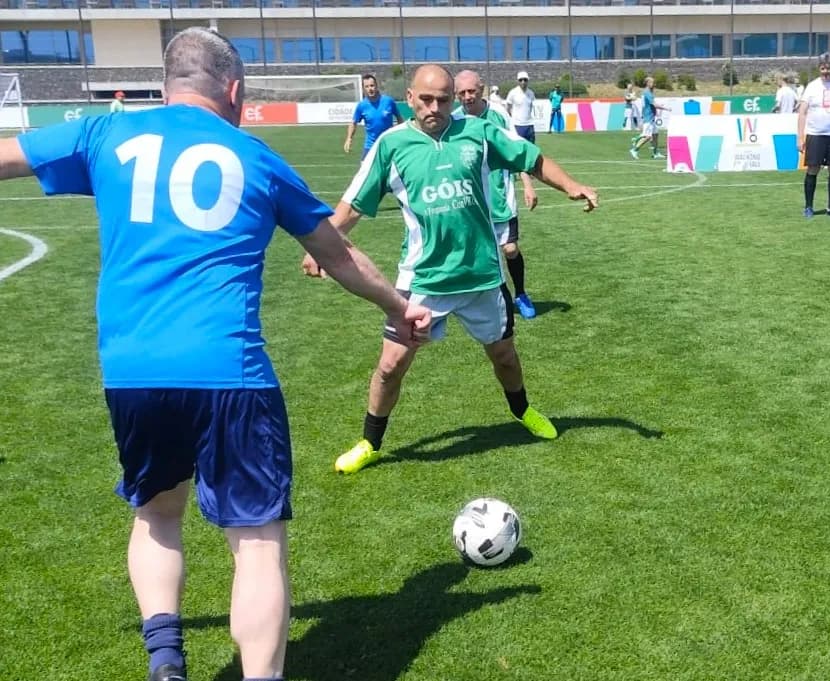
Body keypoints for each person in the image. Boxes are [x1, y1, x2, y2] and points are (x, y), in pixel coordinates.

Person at [0, 27, 430, 681]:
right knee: (257, 543)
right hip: (232, 373)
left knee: (156, 512)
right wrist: (400, 309)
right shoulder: (256, 158)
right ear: (235, 91)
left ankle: (167, 663)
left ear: (167, 83)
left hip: (132, 373)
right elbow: (337, 256)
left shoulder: (104, 135)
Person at [301, 65, 599, 475]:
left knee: (505, 358)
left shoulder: (476, 131)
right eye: (426, 99)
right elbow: (353, 205)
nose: (435, 107)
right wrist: (322, 246)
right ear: (409, 98)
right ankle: (370, 442)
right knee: (390, 367)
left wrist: (572, 186)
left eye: (444, 98)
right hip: (423, 280)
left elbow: (532, 159)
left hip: (482, 277)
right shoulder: (392, 145)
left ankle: (522, 410)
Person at [453, 69, 541, 319]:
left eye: (472, 91)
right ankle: (498, 299)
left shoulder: (498, 114)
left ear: (481, 89)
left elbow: (517, 150)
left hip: (501, 196)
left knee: (510, 249)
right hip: (470, 201)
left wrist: (527, 183)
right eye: (462, 93)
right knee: (481, 253)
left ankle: (521, 294)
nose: (468, 96)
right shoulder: (455, 119)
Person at [797, 53, 830, 218]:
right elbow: (802, 113)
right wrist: (800, 137)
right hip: (816, 135)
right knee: (813, 169)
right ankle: (808, 207)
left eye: (828, 68)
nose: (825, 71)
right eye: (822, 68)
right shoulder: (812, 86)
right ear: (819, 69)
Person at [344, 73, 404, 159]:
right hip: (370, 146)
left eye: (372, 85)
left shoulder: (388, 101)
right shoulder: (362, 105)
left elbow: (399, 118)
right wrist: (349, 138)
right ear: (364, 88)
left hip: (388, 144)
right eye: (367, 86)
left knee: (391, 171)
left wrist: (400, 134)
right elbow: (353, 123)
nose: (370, 89)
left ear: (376, 86)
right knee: (365, 171)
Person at [629, 76, 669, 160]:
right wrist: (666, 109)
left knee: (655, 135)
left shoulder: (646, 92)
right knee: (647, 136)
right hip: (648, 117)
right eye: (652, 83)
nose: (654, 84)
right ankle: (634, 150)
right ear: (647, 83)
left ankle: (655, 153)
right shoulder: (648, 93)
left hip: (650, 116)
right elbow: (654, 104)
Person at [506, 70, 536, 143]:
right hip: (517, 125)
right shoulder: (513, 92)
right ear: (518, 81)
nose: (523, 82)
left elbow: (531, 107)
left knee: (531, 148)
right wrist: (512, 118)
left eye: (525, 80)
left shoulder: (531, 93)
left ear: (528, 80)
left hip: (529, 124)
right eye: (520, 80)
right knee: (519, 149)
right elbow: (508, 107)